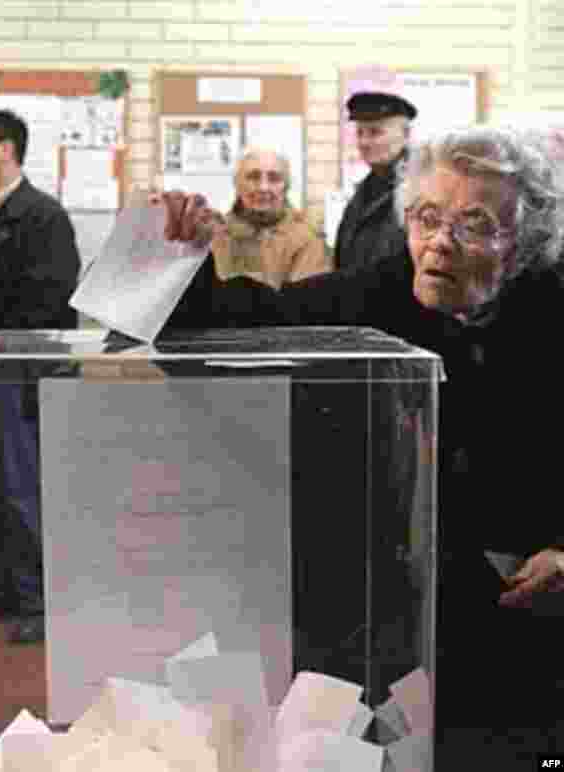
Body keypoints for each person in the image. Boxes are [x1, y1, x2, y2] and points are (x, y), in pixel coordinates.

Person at [161, 124, 564, 767]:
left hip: (535, 620)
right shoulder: (376, 291)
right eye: (426, 217)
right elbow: (246, 325)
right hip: (403, 611)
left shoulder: (554, 305)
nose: (439, 243)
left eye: (474, 224)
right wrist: (177, 260)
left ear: (528, 239)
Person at [0, 109, 81, 644]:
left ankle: (36, 597)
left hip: (21, 372)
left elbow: (51, 299)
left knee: (19, 484)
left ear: (6, 149)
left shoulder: (40, 215)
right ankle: (5, 582)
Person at [210, 147, 329, 288]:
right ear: (237, 183)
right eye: (253, 177)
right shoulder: (213, 236)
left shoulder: (307, 239)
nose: (263, 187)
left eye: (274, 179)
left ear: (286, 186)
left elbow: (305, 304)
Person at [334, 91, 417, 271]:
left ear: (406, 134)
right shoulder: (364, 192)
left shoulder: (420, 189)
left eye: (375, 132)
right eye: (360, 133)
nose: (364, 142)